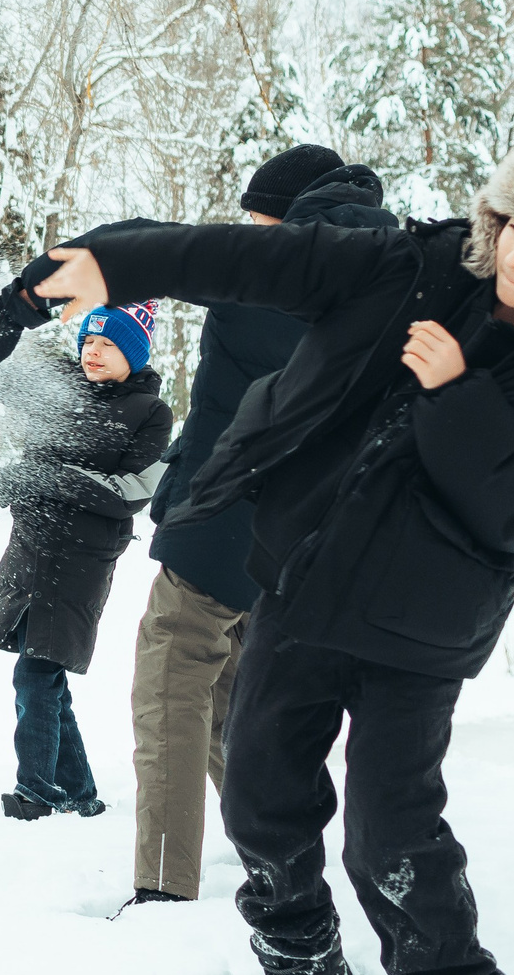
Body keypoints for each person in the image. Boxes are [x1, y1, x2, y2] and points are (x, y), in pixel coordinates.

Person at [0, 140, 514, 975]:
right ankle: (300, 958)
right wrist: (113, 262)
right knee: (259, 796)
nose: (511, 253)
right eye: (510, 223)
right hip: (304, 580)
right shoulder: (422, 269)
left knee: (388, 831)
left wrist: (458, 396)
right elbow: (249, 258)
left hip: (421, 627)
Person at [124, 151, 397, 906]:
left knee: (171, 682)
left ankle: (165, 886)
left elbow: (165, 254)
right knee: (231, 702)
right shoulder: (379, 277)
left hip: (224, 527)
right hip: (286, 538)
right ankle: (279, 861)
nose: (249, 235)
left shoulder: (282, 279)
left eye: (255, 222)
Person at [0, 301, 172, 819]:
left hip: (82, 556)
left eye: (109, 344)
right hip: (32, 542)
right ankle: (80, 794)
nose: (94, 352)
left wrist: (45, 480)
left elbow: (132, 492)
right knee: (44, 671)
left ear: (136, 354)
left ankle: (36, 792)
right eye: (89, 342)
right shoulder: (59, 382)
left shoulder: (150, 414)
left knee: (35, 674)